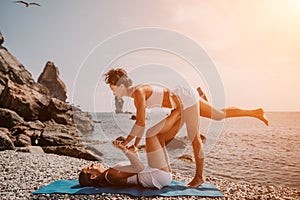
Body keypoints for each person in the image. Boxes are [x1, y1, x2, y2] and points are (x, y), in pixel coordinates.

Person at [102, 68, 268, 187]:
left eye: (113, 88)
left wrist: (127, 143)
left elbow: (141, 123)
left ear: (121, 85)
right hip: (184, 95)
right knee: (218, 115)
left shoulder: (137, 93)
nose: (113, 92)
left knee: (194, 137)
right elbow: (141, 123)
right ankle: (255, 112)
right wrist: (135, 144)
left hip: (184, 99)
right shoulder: (137, 92)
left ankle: (199, 177)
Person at [79, 134, 174, 189]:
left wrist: (134, 154)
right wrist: (123, 149)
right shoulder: (111, 174)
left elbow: (136, 169)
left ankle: (178, 113)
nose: (92, 164)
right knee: (151, 135)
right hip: (157, 175)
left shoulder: (110, 174)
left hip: (160, 176)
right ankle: (179, 112)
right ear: (93, 176)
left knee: (160, 137)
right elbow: (139, 168)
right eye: (90, 168)